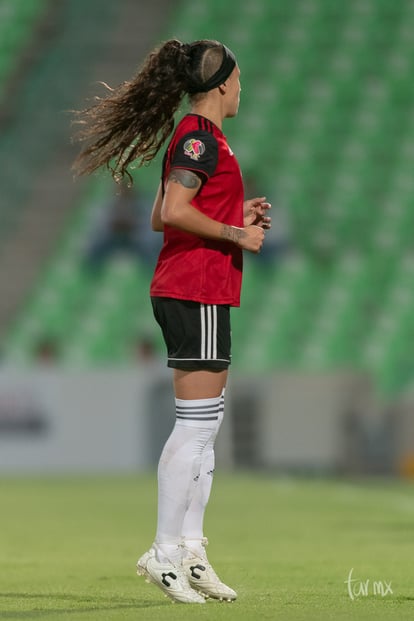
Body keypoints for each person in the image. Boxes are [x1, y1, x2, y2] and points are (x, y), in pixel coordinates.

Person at [72, 38, 271, 605]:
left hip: (197, 289)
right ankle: (164, 551)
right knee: (196, 426)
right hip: (196, 290)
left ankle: (190, 548)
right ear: (224, 83)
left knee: (204, 425)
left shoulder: (202, 138)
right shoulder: (199, 139)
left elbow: (164, 213)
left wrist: (235, 211)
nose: (243, 89)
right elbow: (175, 212)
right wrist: (237, 232)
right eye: (240, 79)